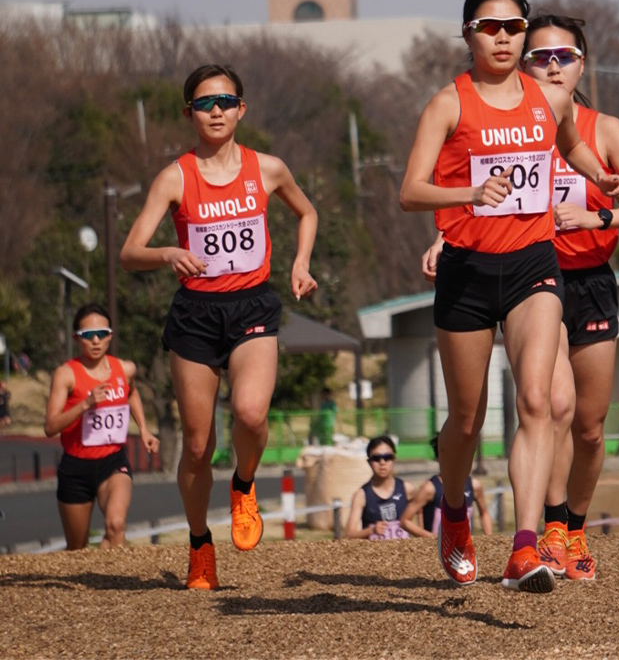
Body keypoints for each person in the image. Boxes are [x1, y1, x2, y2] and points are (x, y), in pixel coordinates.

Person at [399, 0, 619, 593]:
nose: (502, 38)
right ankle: (452, 509)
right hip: (467, 272)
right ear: (468, 34)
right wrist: (467, 194)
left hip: (533, 266)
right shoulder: (449, 104)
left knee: (536, 403)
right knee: (467, 422)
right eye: (489, 27)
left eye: (512, 27)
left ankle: (526, 547)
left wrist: (601, 181)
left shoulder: (544, 99)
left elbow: (573, 145)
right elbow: (410, 191)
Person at [120, 63, 318, 591]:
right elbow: (129, 252)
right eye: (205, 103)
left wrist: (300, 263)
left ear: (241, 110)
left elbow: (307, 213)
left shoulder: (268, 169)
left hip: (252, 305)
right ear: (189, 113)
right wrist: (167, 252)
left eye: (226, 101)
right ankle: (200, 544)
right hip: (196, 315)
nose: (216, 111)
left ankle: (245, 485)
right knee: (198, 444)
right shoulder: (175, 176)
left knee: (252, 415)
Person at [521, 15, 619, 581]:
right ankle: (550, 527)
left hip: (593, 279)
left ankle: (575, 528)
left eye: (565, 55)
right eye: (541, 56)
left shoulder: (604, 129)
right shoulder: (511, 127)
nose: (553, 64)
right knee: (552, 407)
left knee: (588, 425)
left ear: (583, 62)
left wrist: (598, 214)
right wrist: (444, 238)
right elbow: (483, 193)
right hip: (535, 278)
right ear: (524, 64)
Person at [43, 302, 160, 550]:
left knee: (116, 526)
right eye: (87, 335)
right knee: (77, 548)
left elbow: (131, 393)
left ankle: (112, 584)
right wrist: (85, 403)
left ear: (110, 336)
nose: (95, 341)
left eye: (102, 334)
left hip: (113, 462)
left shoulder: (125, 369)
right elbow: (50, 427)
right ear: (76, 338)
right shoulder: (66, 374)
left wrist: (144, 429)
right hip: (76, 468)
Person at [400, 435, 493, 538]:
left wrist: (489, 539)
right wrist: (430, 537)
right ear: (438, 458)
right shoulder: (430, 488)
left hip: (464, 549)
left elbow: (484, 514)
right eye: (448, 455)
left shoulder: (474, 485)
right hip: (436, 550)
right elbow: (405, 521)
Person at [345, 435, 416, 539]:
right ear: (369, 462)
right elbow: (349, 534)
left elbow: (421, 516)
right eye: (376, 458)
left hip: (404, 554)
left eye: (387, 457)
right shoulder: (361, 495)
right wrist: (371, 530)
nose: (382, 462)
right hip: (374, 553)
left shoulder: (407, 488)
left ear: (394, 459)